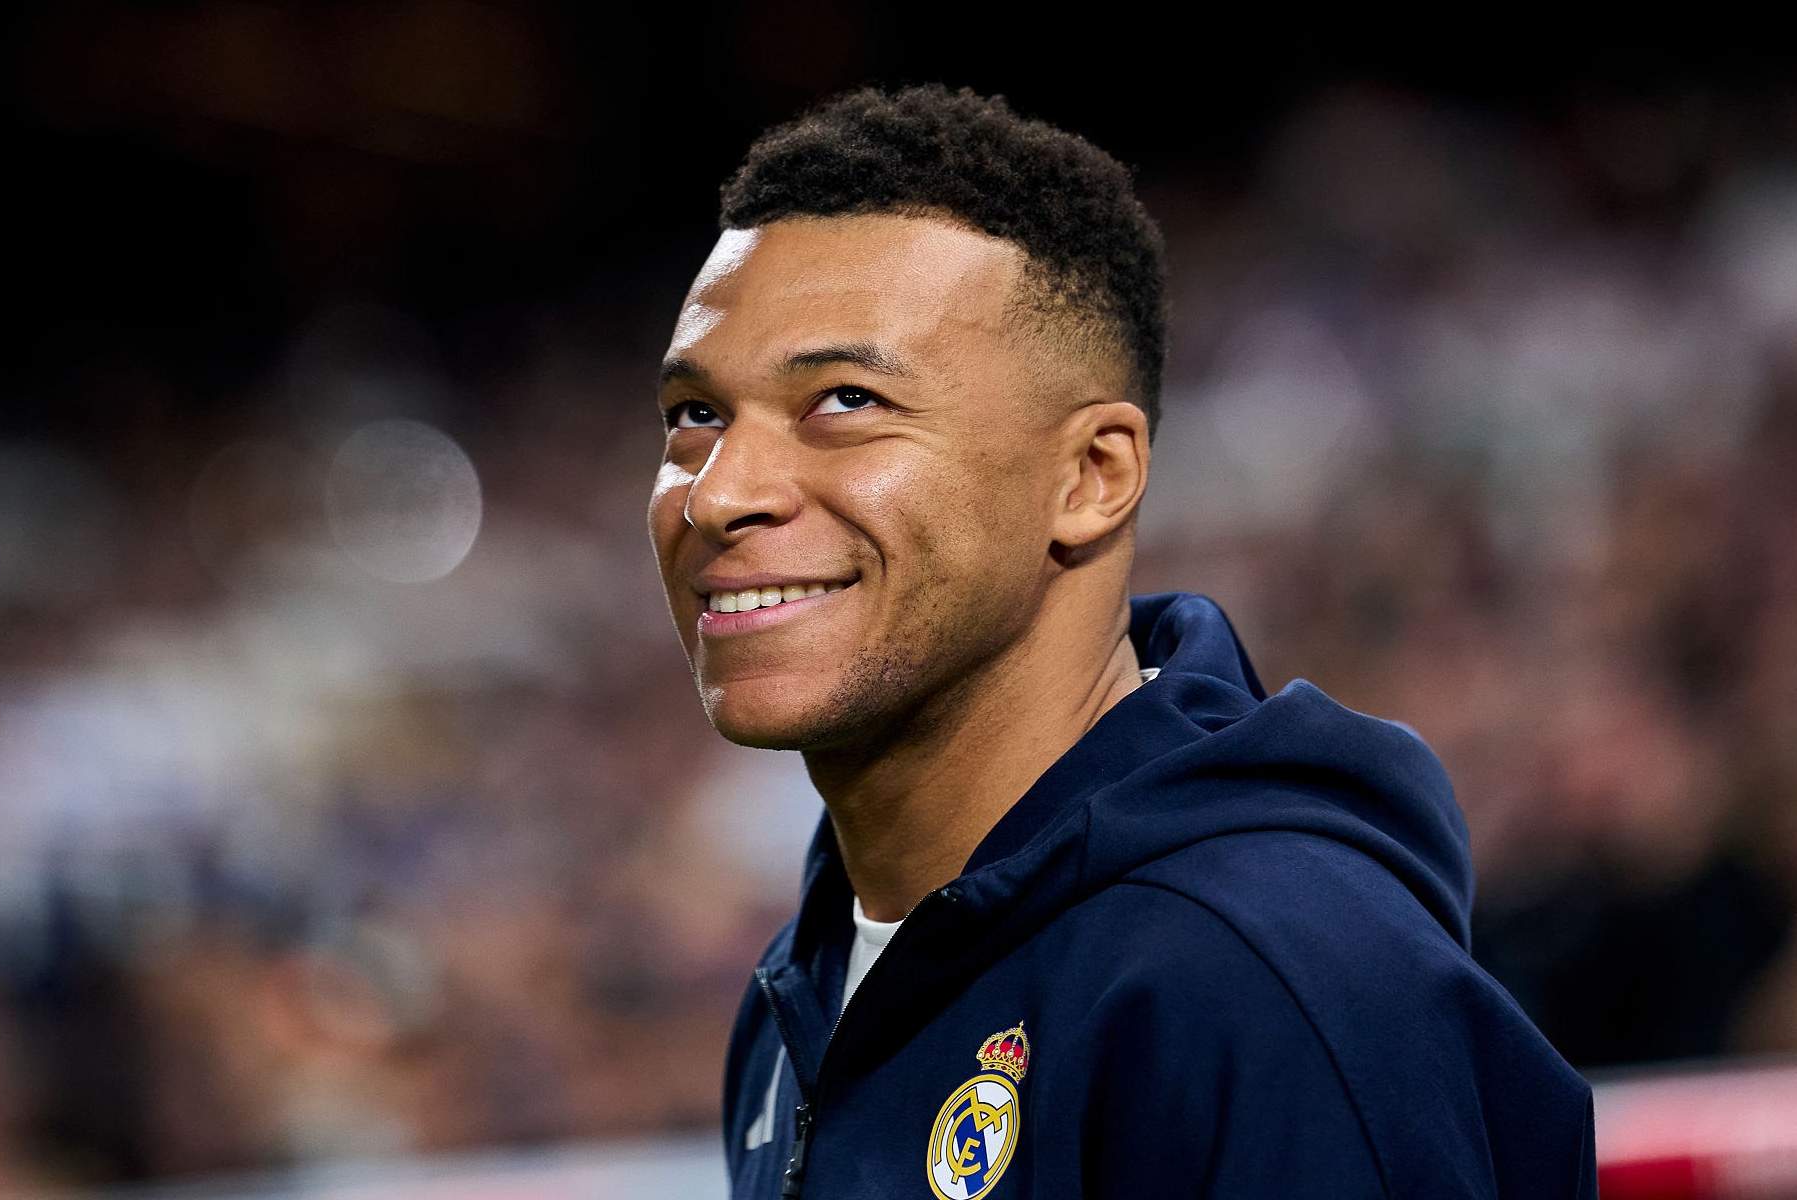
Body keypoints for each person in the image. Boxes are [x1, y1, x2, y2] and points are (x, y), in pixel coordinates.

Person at [646, 82, 1596, 1199]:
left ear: (1091, 477)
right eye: (694, 415)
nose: (718, 495)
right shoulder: (803, 985)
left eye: (845, 401)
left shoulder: (1262, 981)